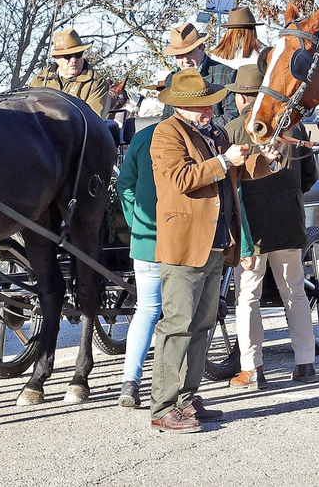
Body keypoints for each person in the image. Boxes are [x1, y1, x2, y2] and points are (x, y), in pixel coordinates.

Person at [147, 69, 277, 433]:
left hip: (218, 243)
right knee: (177, 326)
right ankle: (163, 407)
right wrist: (224, 161)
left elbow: (239, 172)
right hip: (186, 245)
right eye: (203, 106)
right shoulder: (166, 134)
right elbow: (181, 179)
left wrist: (272, 159)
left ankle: (187, 400)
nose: (209, 111)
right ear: (181, 107)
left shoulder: (214, 133)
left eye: (210, 104)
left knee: (202, 325)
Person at [224, 64, 319, 388]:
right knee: (295, 292)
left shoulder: (234, 129)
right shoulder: (296, 127)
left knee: (248, 297)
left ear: (240, 97)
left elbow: (228, 185)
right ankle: (305, 363)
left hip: (251, 228)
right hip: (290, 221)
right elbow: (311, 177)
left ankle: (253, 368)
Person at [114, 105, 164, 410]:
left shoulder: (142, 137)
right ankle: (168, 386)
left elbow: (124, 185)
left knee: (145, 311)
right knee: (179, 317)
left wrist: (137, 222)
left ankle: (130, 382)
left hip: (145, 240)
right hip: (179, 242)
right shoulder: (195, 137)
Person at [29, 29, 124, 117]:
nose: (73, 60)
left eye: (78, 54)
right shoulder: (39, 80)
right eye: (67, 56)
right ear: (57, 58)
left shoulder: (96, 83)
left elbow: (92, 120)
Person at [162, 22, 238, 126]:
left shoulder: (226, 74)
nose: (185, 60)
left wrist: (202, 130)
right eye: (179, 55)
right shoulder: (172, 79)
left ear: (202, 49)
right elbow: (167, 117)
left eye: (190, 53)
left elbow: (232, 116)